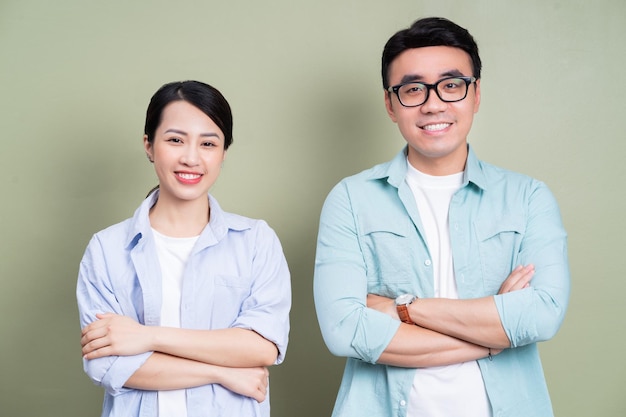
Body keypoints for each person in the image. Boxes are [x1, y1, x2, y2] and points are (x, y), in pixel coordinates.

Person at [313, 17, 570, 417]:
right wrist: (494, 332)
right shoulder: (350, 199)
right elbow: (345, 330)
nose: (433, 103)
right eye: (413, 89)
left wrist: (404, 308)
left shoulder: (528, 197)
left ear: (476, 94)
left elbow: (541, 315)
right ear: (390, 104)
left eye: (452, 85)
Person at [77, 80, 291, 417]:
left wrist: (147, 337)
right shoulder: (106, 249)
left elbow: (262, 346)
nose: (191, 158)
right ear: (149, 145)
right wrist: (222, 370)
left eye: (208, 143)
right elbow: (108, 365)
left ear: (223, 154)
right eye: (175, 140)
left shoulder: (256, 241)